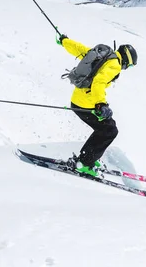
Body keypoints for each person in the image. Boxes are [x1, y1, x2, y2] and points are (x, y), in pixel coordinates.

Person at [58, 34, 138, 177]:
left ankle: (89, 158)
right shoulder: (115, 65)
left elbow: (80, 49)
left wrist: (64, 41)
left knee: (105, 128)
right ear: (126, 60)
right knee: (110, 131)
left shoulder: (105, 55)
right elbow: (99, 82)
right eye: (130, 65)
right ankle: (84, 163)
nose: (127, 68)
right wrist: (101, 104)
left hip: (78, 100)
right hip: (86, 104)